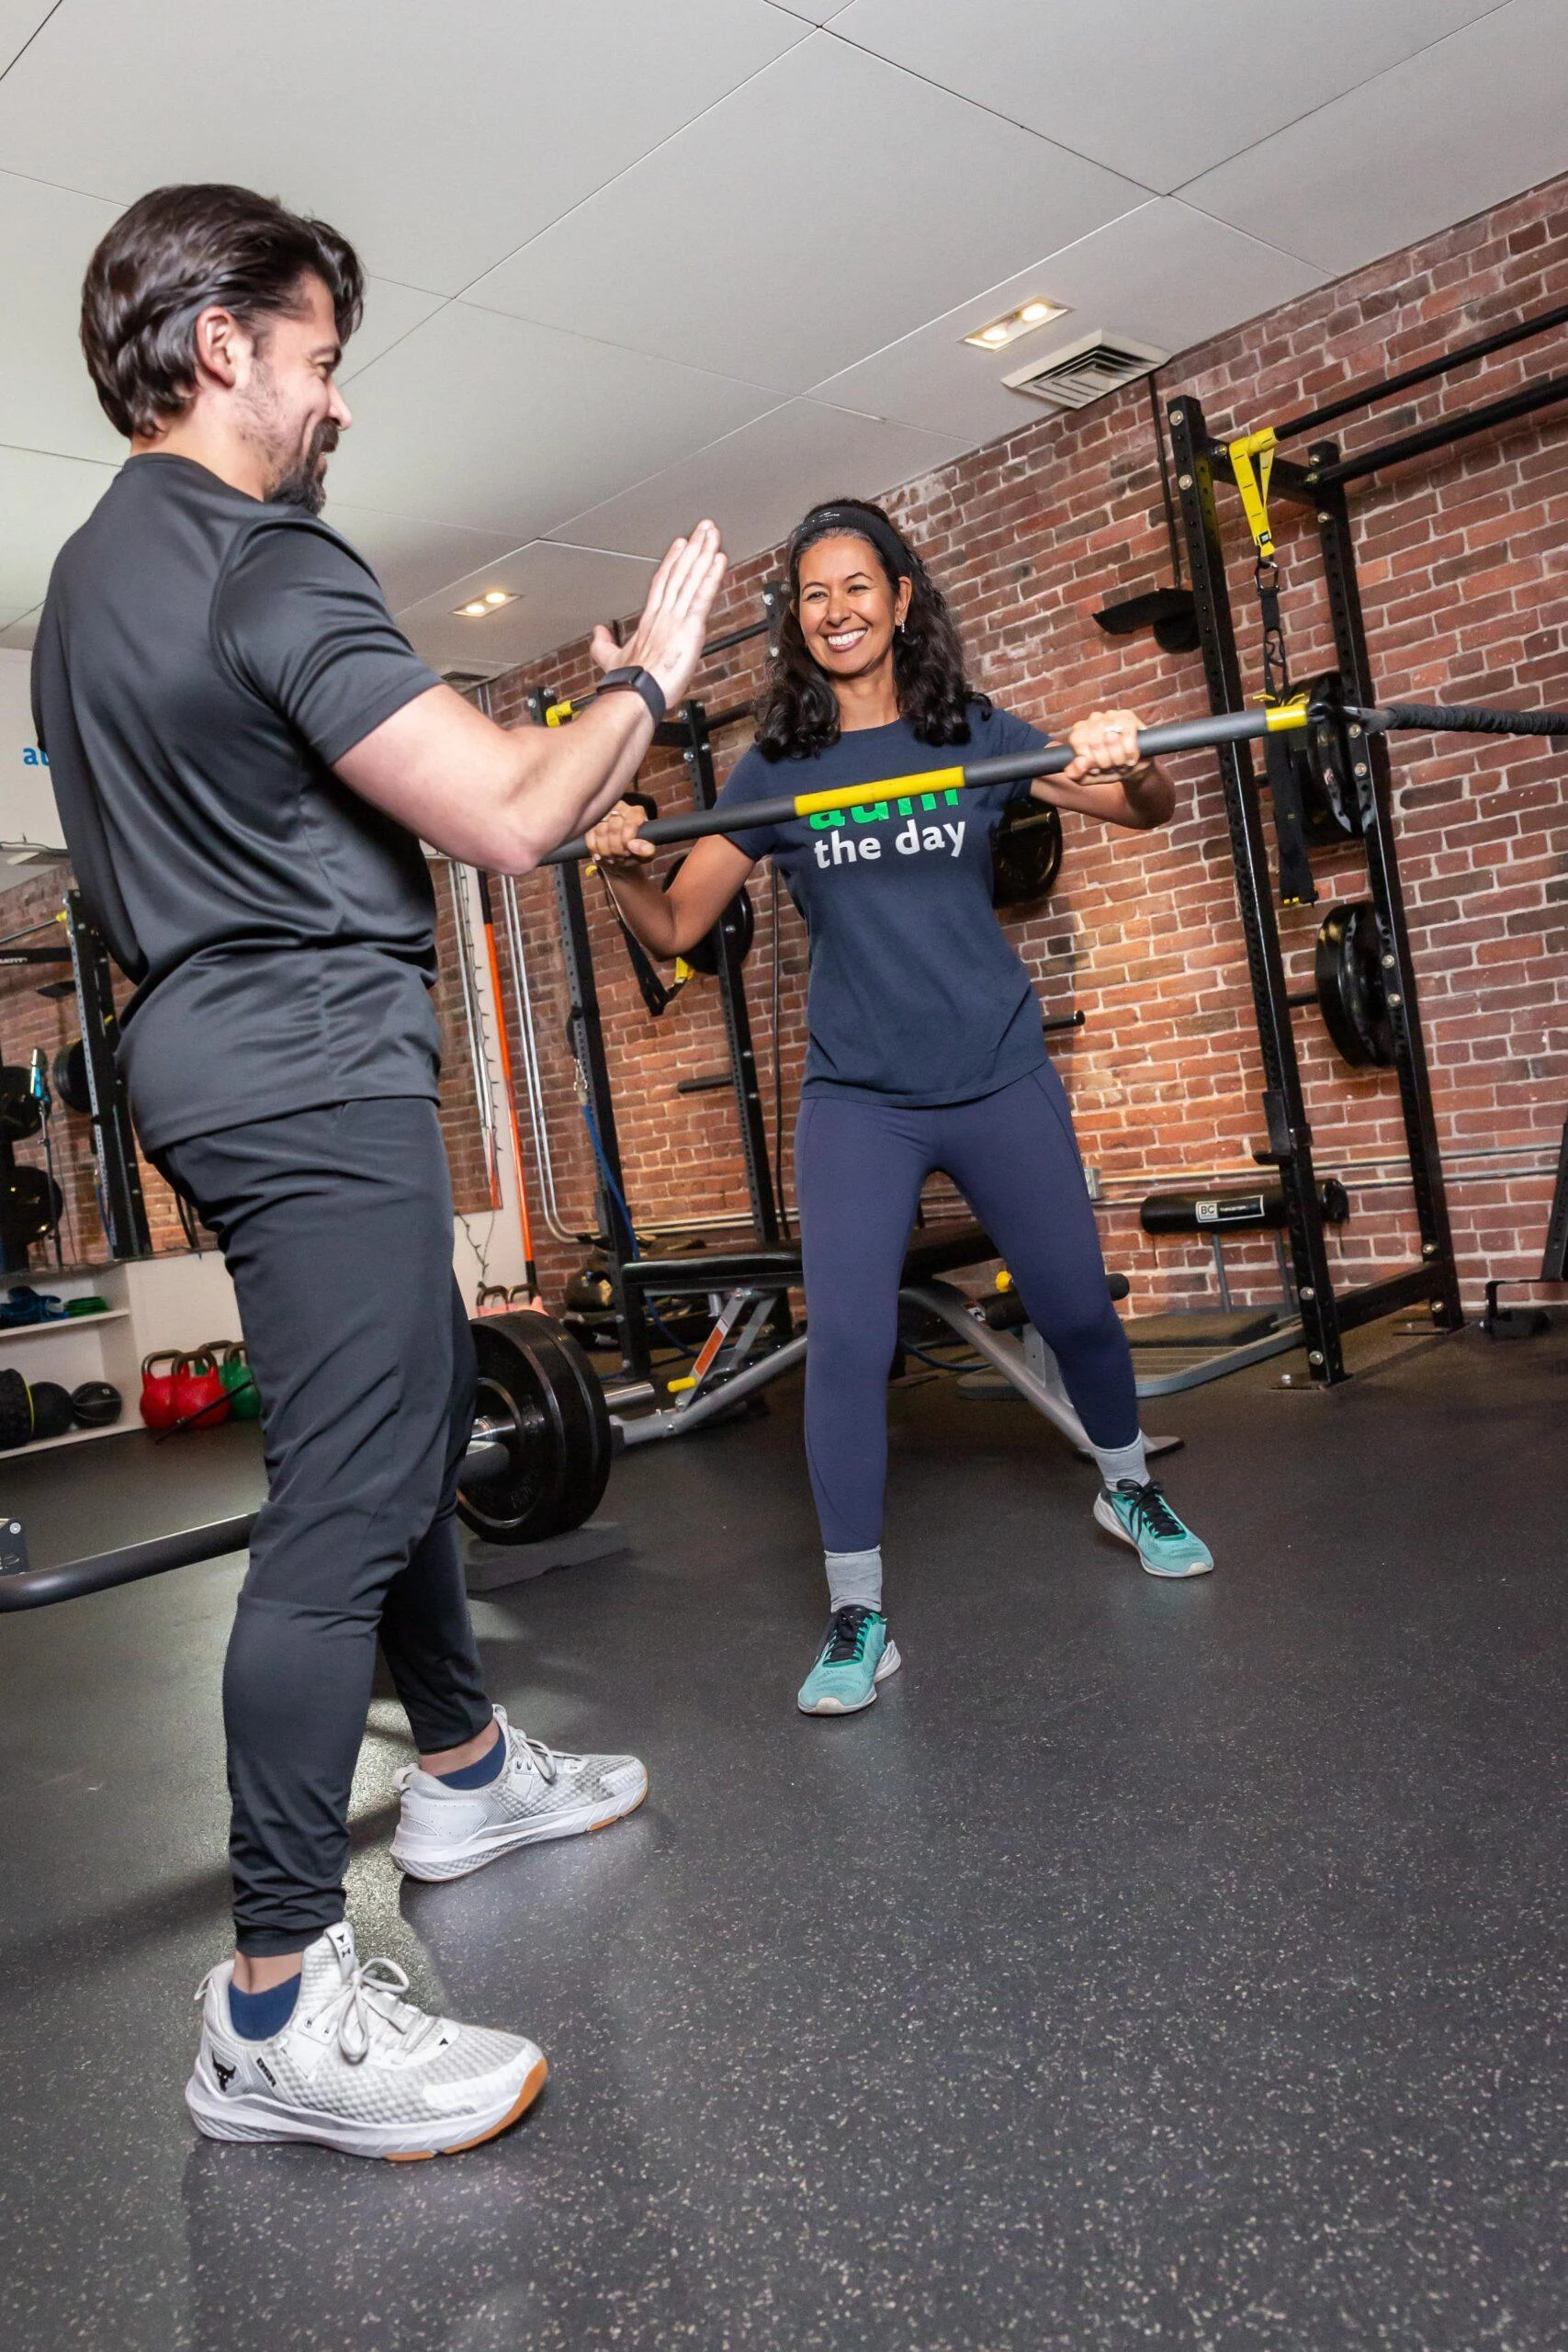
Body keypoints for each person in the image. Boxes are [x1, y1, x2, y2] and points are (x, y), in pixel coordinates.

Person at [32, 183, 728, 2159]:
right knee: (345, 1493)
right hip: (314, 1058)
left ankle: (467, 1760)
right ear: (221, 341)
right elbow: (514, 814)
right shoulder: (267, 560)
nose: (340, 401)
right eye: (321, 356)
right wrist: (650, 679)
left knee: (402, 1398)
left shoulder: (93, 579)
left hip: (210, 1051)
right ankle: (268, 1995)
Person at [585, 497, 1214, 1718]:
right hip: (860, 1097)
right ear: (798, 621)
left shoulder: (967, 732)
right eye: (813, 595)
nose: (836, 611)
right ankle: (856, 1612)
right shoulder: (778, 772)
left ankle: (1124, 1481)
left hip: (994, 1069)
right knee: (850, 1347)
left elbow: (1142, 813)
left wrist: (1129, 760)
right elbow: (672, 926)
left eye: (855, 586)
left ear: (901, 597)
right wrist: (621, 869)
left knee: (1078, 1306)